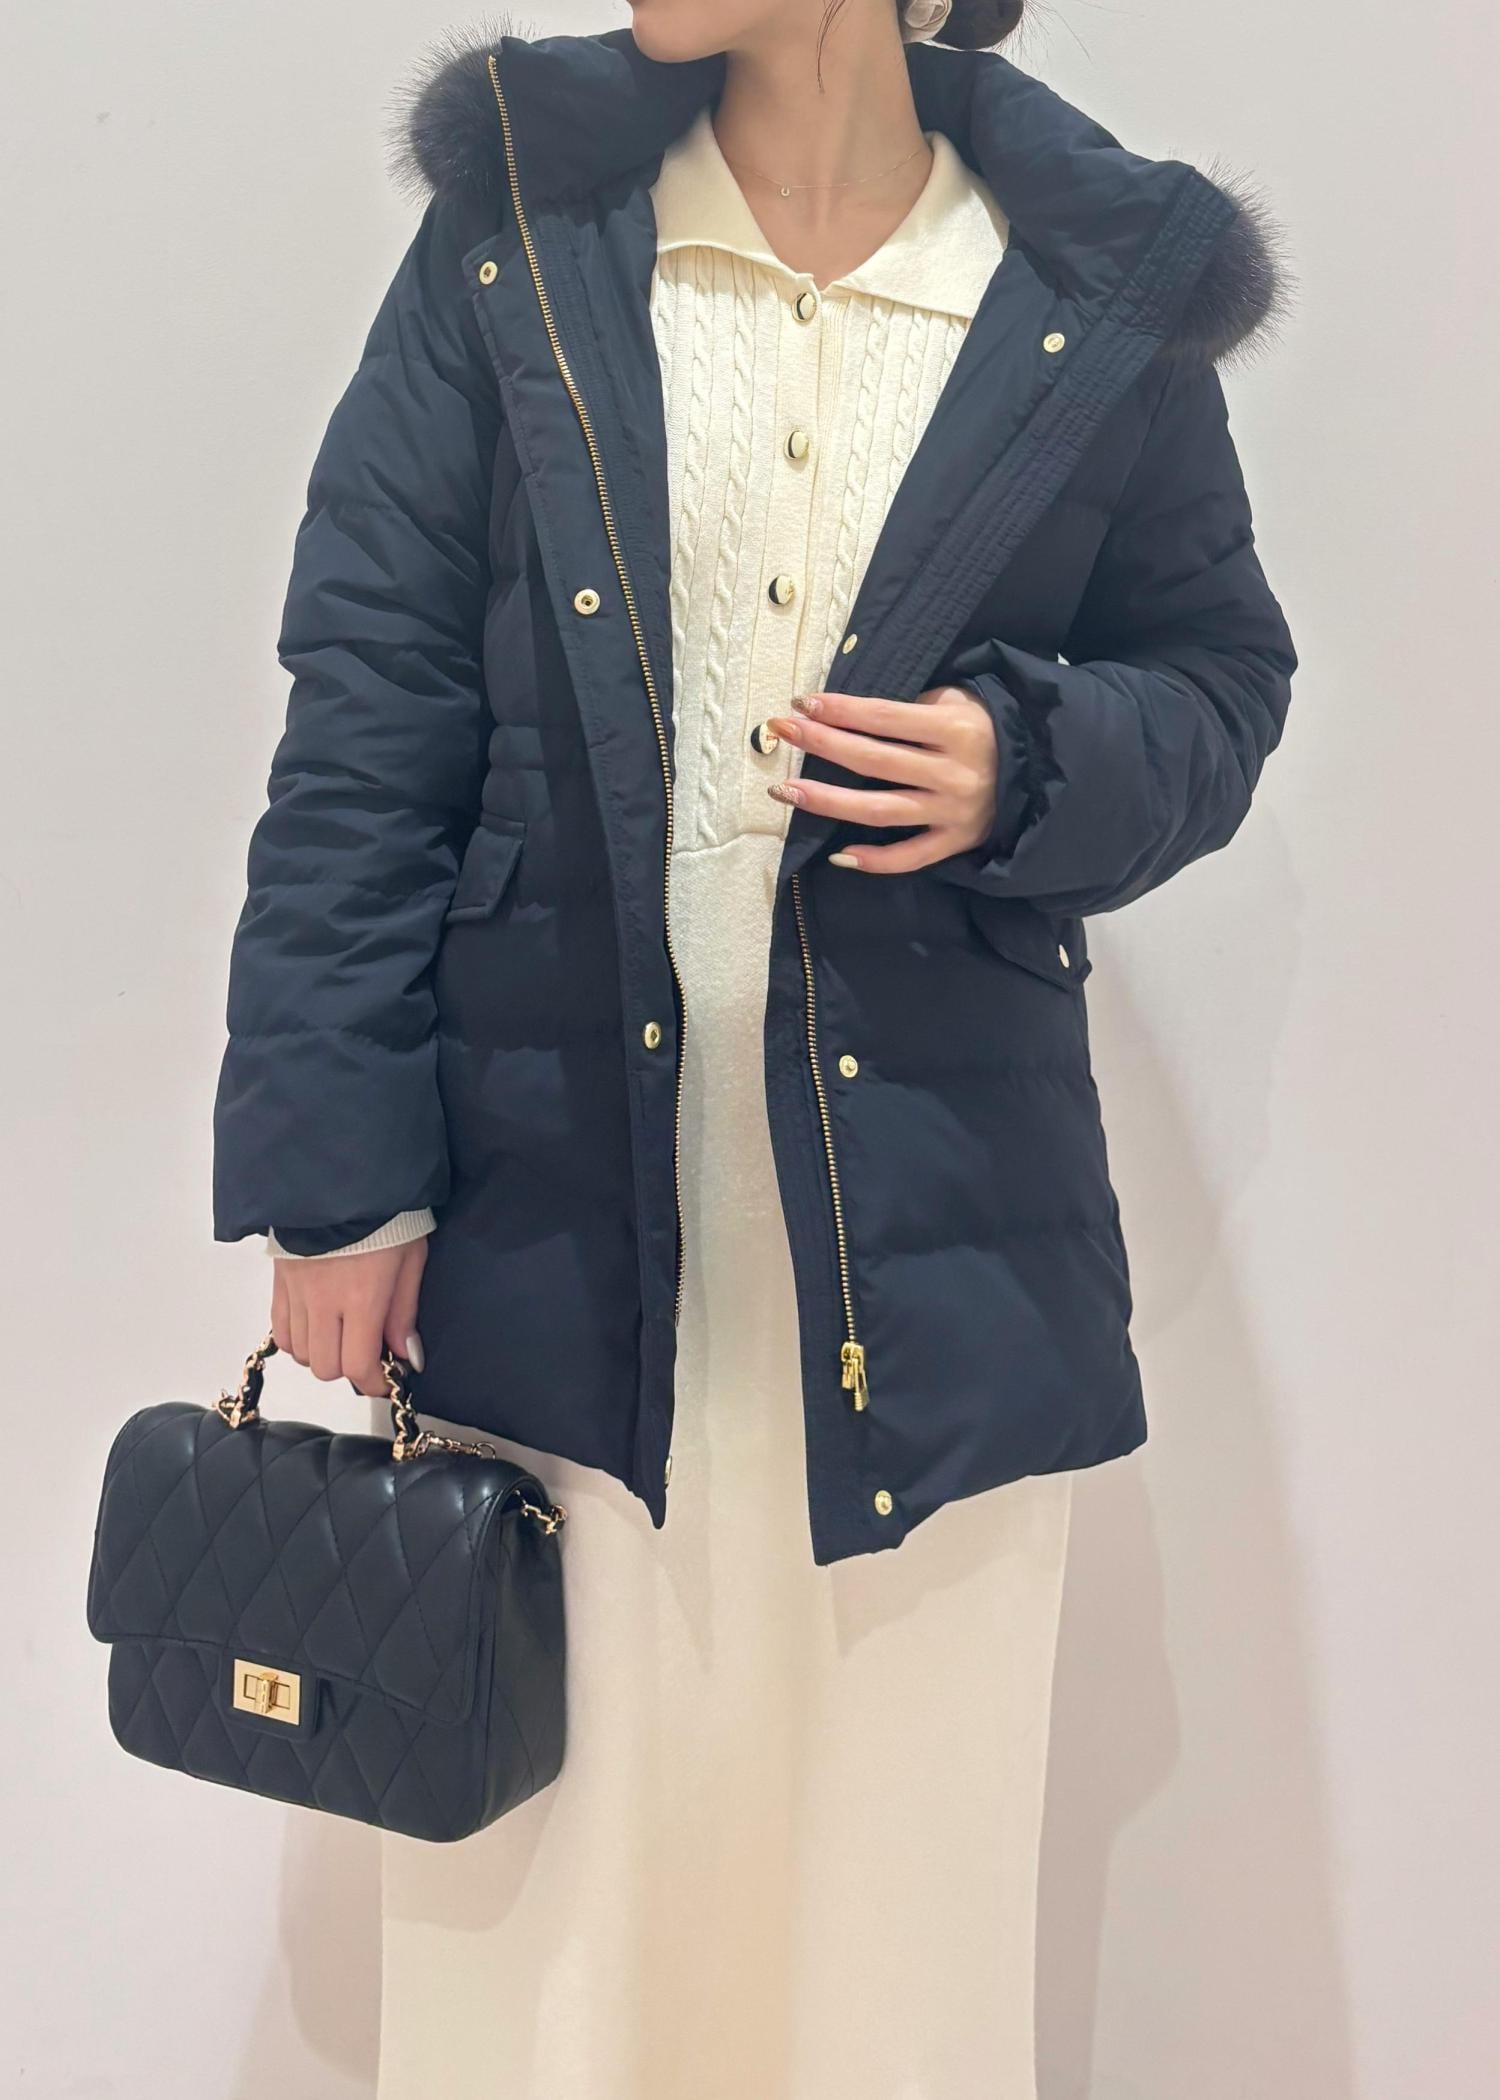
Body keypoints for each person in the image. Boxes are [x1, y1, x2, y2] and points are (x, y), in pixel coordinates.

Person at [212, 4, 1295, 2093]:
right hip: (547, 1229)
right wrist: (335, 1170)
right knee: (551, 1906)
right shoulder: (521, 232)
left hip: (935, 1253)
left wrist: (1028, 759)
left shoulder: (1095, 288)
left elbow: (1220, 678)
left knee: (890, 1889)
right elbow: (369, 707)